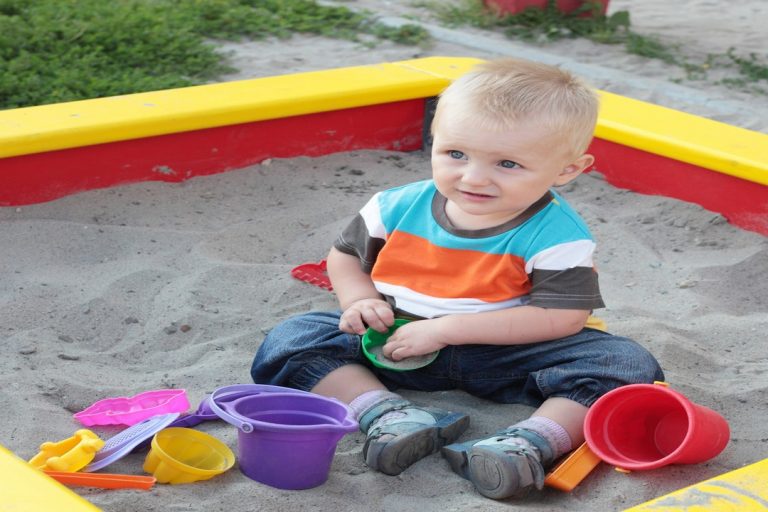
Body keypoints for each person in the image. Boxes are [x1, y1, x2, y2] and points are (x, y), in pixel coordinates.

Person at [251, 58, 664, 500]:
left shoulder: (557, 233)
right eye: (455, 154)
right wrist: (359, 300)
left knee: (625, 365)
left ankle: (526, 442)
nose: (473, 177)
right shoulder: (394, 206)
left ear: (567, 169)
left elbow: (561, 318)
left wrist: (447, 329)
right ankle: (388, 414)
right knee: (293, 338)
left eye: (507, 163)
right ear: (433, 141)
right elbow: (345, 257)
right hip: (395, 339)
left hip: (508, 354)